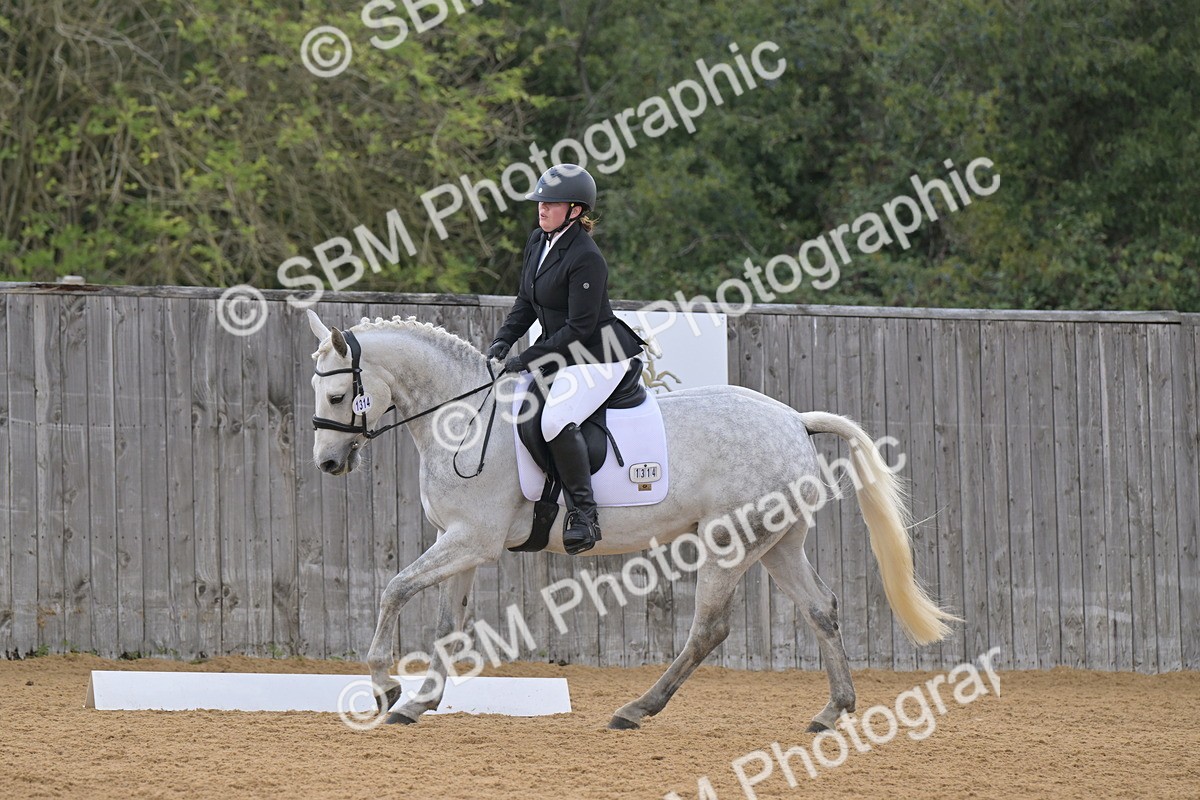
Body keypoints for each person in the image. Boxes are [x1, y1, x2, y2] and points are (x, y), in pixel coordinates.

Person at [486, 164, 645, 555]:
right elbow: (527, 302)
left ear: (575, 210)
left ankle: (584, 515)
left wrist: (528, 357)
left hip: (598, 353)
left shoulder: (586, 257)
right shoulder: (538, 241)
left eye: (551, 203)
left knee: (556, 418)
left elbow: (579, 327)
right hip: (562, 352)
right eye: (540, 201)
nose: (542, 208)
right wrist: (503, 341)